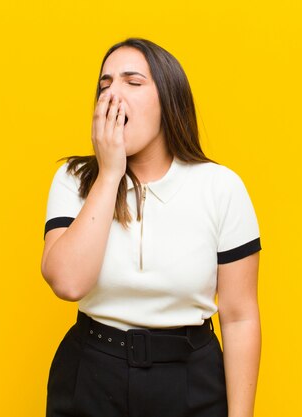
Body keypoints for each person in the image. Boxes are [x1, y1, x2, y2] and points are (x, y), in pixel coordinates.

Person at [41, 37, 262, 417]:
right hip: (91, 374)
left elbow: (240, 316)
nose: (113, 95)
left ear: (168, 100)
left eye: (133, 81)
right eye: (105, 84)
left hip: (189, 379)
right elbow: (68, 283)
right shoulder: (74, 179)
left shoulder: (221, 187)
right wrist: (110, 174)